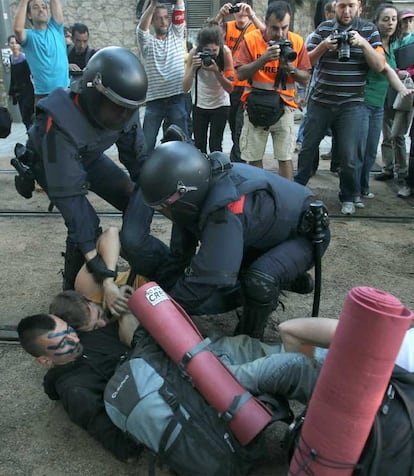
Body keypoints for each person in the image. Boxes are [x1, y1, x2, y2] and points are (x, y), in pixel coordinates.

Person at [138, 141, 330, 340]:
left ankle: (249, 337)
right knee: (237, 269)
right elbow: (180, 254)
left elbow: (206, 281)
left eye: (164, 207)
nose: (165, 213)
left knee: (258, 281)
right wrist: (163, 288)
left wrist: (159, 315)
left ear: (183, 194)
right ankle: (288, 277)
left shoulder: (224, 210)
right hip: (269, 234)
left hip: (305, 236)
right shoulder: (200, 186)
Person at [18, 47, 157, 291]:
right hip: (50, 162)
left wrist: (159, 190)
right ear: (96, 93)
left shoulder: (123, 105)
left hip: (88, 155)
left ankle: (145, 260)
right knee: (86, 225)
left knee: (132, 194)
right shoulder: (59, 120)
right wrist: (93, 257)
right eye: (118, 108)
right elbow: (71, 197)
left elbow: (138, 161)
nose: (123, 115)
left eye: (130, 109)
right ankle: (72, 287)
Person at [294, 0, 386, 215]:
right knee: (307, 148)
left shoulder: (369, 30)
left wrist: (363, 44)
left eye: (351, 6)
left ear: (359, 7)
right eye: (342, 5)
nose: (346, 11)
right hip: (320, 102)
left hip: (352, 105)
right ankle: (297, 190)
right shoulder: (324, 28)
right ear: (334, 6)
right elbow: (305, 62)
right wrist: (324, 46)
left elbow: (380, 65)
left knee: (349, 155)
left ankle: (348, 195)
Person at [234, 1, 311, 180]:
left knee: (285, 157)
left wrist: (290, 68)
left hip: (284, 107)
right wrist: (264, 59)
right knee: (254, 158)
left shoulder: (297, 42)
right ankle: (259, 195)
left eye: (284, 27)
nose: (280, 33)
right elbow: (240, 74)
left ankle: (287, 197)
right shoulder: (252, 39)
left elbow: (306, 78)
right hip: (255, 106)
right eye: (275, 28)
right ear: (266, 23)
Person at [359, 4, 412, 200]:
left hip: (380, 103)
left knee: (371, 150)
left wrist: (401, 75)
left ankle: (363, 187)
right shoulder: (370, 44)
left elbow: (390, 70)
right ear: (376, 22)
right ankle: (353, 190)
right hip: (364, 101)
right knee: (360, 150)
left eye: (393, 19)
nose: (390, 23)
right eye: (385, 19)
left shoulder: (394, 45)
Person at [215, 1, 265, 163]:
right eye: (238, 8)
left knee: (240, 128)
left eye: (245, 8)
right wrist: (220, 15)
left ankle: (238, 162)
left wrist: (252, 15)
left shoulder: (254, 28)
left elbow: (268, 35)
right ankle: (238, 158)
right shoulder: (227, 27)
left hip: (248, 88)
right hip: (229, 87)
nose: (241, 12)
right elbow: (209, 36)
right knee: (232, 125)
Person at [137, 0, 188, 151]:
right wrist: (152, 4)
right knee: (146, 145)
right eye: (159, 18)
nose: (164, 21)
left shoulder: (176, 34)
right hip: (155, 101)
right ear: (152, 21)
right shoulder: (147, 43)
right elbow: (141, 29)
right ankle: (143, 174)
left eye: (166, 17)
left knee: (183, 144)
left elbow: (179, 6)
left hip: (176, 98)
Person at [376, 9, 414, 192]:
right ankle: (387, 167)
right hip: (387, 90)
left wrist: (406, 73)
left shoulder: (411, 42)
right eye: (403, 21)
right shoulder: (392, 42)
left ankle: (402, 172)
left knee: (397, 134)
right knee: (386, 132)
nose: (406, 25)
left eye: (410, 21)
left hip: (406, 91)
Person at [182, 21, 234, 154]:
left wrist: (217, 72)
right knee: (199, 145)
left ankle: (217, 172)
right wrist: (193, 67)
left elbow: (230, 88)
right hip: (200, 104)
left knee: (216, 144)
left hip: (221, 104)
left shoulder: (225, 53)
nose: (211, 55)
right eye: (207, 51)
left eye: (214, 51)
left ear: (220, 47)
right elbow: (185, 87)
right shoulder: (195, 53)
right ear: (201, 48)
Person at [13, 0, 69, 102]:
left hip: (65, 91)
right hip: (44, 96)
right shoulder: (29, 36)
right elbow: (17, 29)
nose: (41, 10)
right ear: (29, 15)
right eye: (35, 7)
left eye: (44, 7)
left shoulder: (56, 28)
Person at [7, 34, 34, 131]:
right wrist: (11, 92)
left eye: (16, 43)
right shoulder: (11, 58)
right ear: (9, 45)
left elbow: (31, 74)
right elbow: (13, 77)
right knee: (24, 116)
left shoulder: (24, 58)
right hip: (19, 93)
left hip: (27, 90)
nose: (14, 45)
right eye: (12, 43)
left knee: (30, 113)